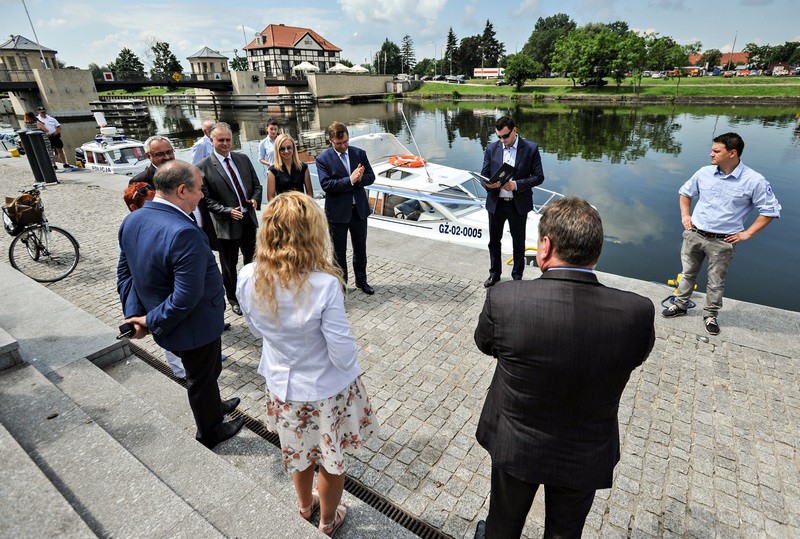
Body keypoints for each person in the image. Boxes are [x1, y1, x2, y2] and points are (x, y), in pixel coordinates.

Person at [473, 197, 655, 539]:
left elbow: (485, 344)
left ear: (545, 246)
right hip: (585, 449)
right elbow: (637, 356)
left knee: (502, 525)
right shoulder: (637, 312)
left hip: (516, 442)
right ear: (595, 253)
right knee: (565, 534)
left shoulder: (506, 298)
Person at [235, 191, 378, 536]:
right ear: (313, 233)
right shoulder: (325, 285)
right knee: (331, 458)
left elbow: (255, 330)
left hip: (282, 384)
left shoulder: (248, 274)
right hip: (325, 390)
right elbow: (342, 355)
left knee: (298, 452)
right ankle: (328, 521)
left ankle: (304, 508)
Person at [117, 160, 245, 449]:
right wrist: (149, 321)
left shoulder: (133, 220)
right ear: (182, 190)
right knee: (201, 377)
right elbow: (186, 296)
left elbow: (126, 273)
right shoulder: (182, 230)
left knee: (207, 372)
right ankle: (210, 430)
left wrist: (135, 314)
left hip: (172, 321)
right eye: (199, 190)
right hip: (193, 324)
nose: (202, 196)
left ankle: (215, 406)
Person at [662, 132, 781, 335]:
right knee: (688, 273)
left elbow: (770, 211)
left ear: (732, 153)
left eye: (716, 151)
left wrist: (747, 234)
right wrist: (685, 216)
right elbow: (685, 193)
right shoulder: (704, 173)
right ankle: (681, 305)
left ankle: (710, 315)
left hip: (722, 241)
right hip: (694, 234)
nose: (711, 154)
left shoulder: (754, 181)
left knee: (716, 281)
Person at [196, 122, 262, 316]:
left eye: (228, 140)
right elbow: (205, 199)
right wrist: (226, 211)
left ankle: (252, 292)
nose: (225, 143)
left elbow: (257, 185)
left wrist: (255, 199)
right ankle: (233, 298)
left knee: (251, 259)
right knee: (229, 265)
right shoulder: (203, 167)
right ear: (211, 140)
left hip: (248, 219)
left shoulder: (243, 159)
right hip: (226, 224)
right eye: (221, 140)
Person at [481, 116, 544, 288]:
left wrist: (516, 185)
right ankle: (494, 274)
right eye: (499, 137)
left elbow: (539, 177)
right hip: (496, 203)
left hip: (518, 205)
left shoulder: (530, 148)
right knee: (494, 241)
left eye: (506, 136)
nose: (502, 140)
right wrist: (488, 184)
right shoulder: (491, 148)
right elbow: (483, 174)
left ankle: (517, 277)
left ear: (514, 130)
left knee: (518, 242)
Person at [129, 137, 219, 252]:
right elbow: (145, 218)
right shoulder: (140, 181)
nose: (167, 157)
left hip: (203, 230)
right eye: (160, 154)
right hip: (174, 239)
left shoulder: (185, 171)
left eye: (169, 152)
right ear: (148, 156)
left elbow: (203, 197)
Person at [316, 121, 376, 294]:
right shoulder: (323, 159)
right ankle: (341, 286)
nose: (343, 146)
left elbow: (371, 177)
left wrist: (360, 178)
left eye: (345, 142)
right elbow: (326, 185)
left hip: (359, 211)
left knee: (360, 248)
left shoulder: (359, 153)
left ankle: (361, 281)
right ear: (330, 140)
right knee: (338, 253)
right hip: (337, 213)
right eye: (339, 143)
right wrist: (350, 180)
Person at [266, 133, 313, 201]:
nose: (286, 151)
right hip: (283, 209)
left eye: (289, 147)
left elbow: (310, 194)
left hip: (301, 207)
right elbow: (270, 198)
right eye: (282, 149)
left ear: (293, 148)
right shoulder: (273, 171)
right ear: (277, 150)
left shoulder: (303, 167)